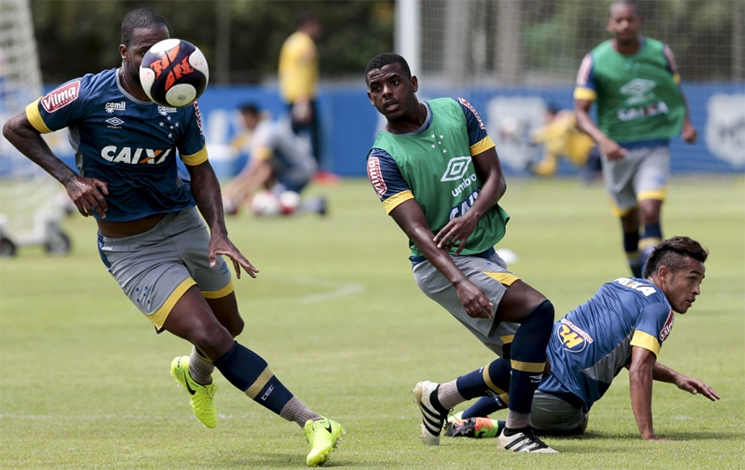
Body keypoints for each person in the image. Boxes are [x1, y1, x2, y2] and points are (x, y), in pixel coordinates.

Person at [1, 8, 342, 467]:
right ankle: (313, 422)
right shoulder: (87, 92)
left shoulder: (180, 98)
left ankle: (194, 372)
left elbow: (200, 170)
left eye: (162, 49)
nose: (157, 62)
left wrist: (219, 232)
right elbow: (15, 128)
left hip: (183, 222)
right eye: (145, 52)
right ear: (124, 53)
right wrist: (69, 179)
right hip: (132, 248)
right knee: (211, 335)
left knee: (230, 328)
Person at [365, 52, 558, 453]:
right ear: (371, 100)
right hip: (442, 265)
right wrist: (461, 282)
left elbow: (495, 178)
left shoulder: (457, 111)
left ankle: (440, 398)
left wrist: (472, 216)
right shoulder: (382, 158)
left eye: (394, 82)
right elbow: (418, 231)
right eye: (377, 88)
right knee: (539, 310)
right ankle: (516, 432)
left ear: (413, 83)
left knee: (536, 363)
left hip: (480, 248)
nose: (387, 92)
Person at [445, 236, 719, 441]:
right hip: (557, 400)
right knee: (577, 422)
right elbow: (638, 369)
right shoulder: (659, 307)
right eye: (691, 279)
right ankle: (493, 426)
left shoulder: (620, 284)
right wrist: (648, 435)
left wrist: (675, 377)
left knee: (532, 373)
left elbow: (621, 354)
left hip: (526, 372)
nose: (696, 290)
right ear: (664, 274)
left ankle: (463, 416)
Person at [574, 0, 697, 278]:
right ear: (610, 24)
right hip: (617, 150)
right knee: (629, 220)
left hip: (655, 144)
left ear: (639, 22)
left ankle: (654, 282)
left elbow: (674, 90)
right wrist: (602, 141)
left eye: (630, 19)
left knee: (650, 210)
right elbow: (580, 113)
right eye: (619, 20)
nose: (624, 25)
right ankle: (637, 278)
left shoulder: (660, 52)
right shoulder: (596, 60)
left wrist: (686, 122)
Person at [222, 103, 326, 217]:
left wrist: (231, 190)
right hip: (288, 171)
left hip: (297, 172)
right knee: (264, 202)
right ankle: (282, 198)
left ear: (250, 117)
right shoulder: (262, 129)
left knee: (268, 205)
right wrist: (243, 193)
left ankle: (314, 205)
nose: (239, 122)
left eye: (241, 118)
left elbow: (254, 168)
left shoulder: (265, 133)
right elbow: (265, 170)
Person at [278, 12, 336, 183]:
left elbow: (287, 72)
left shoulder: (290, 42)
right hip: (303, 96)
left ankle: (288, 168)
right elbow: (301, 72)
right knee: (314, 133)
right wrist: (302, 98)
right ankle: (317, 171)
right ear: (309, 25)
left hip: (291, 94)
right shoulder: (305, 44)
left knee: (292, 135)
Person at [528, 105, 602, 184]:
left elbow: (563, 126)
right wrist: (536, 169)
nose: (544, 119)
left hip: (593, 151)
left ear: (552, 114)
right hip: (584, 162)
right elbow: (550, 167)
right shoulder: (551, 141)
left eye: (546, 115)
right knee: (590, 180)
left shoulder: (563, 118)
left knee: (592, 180)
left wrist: (537, 137)